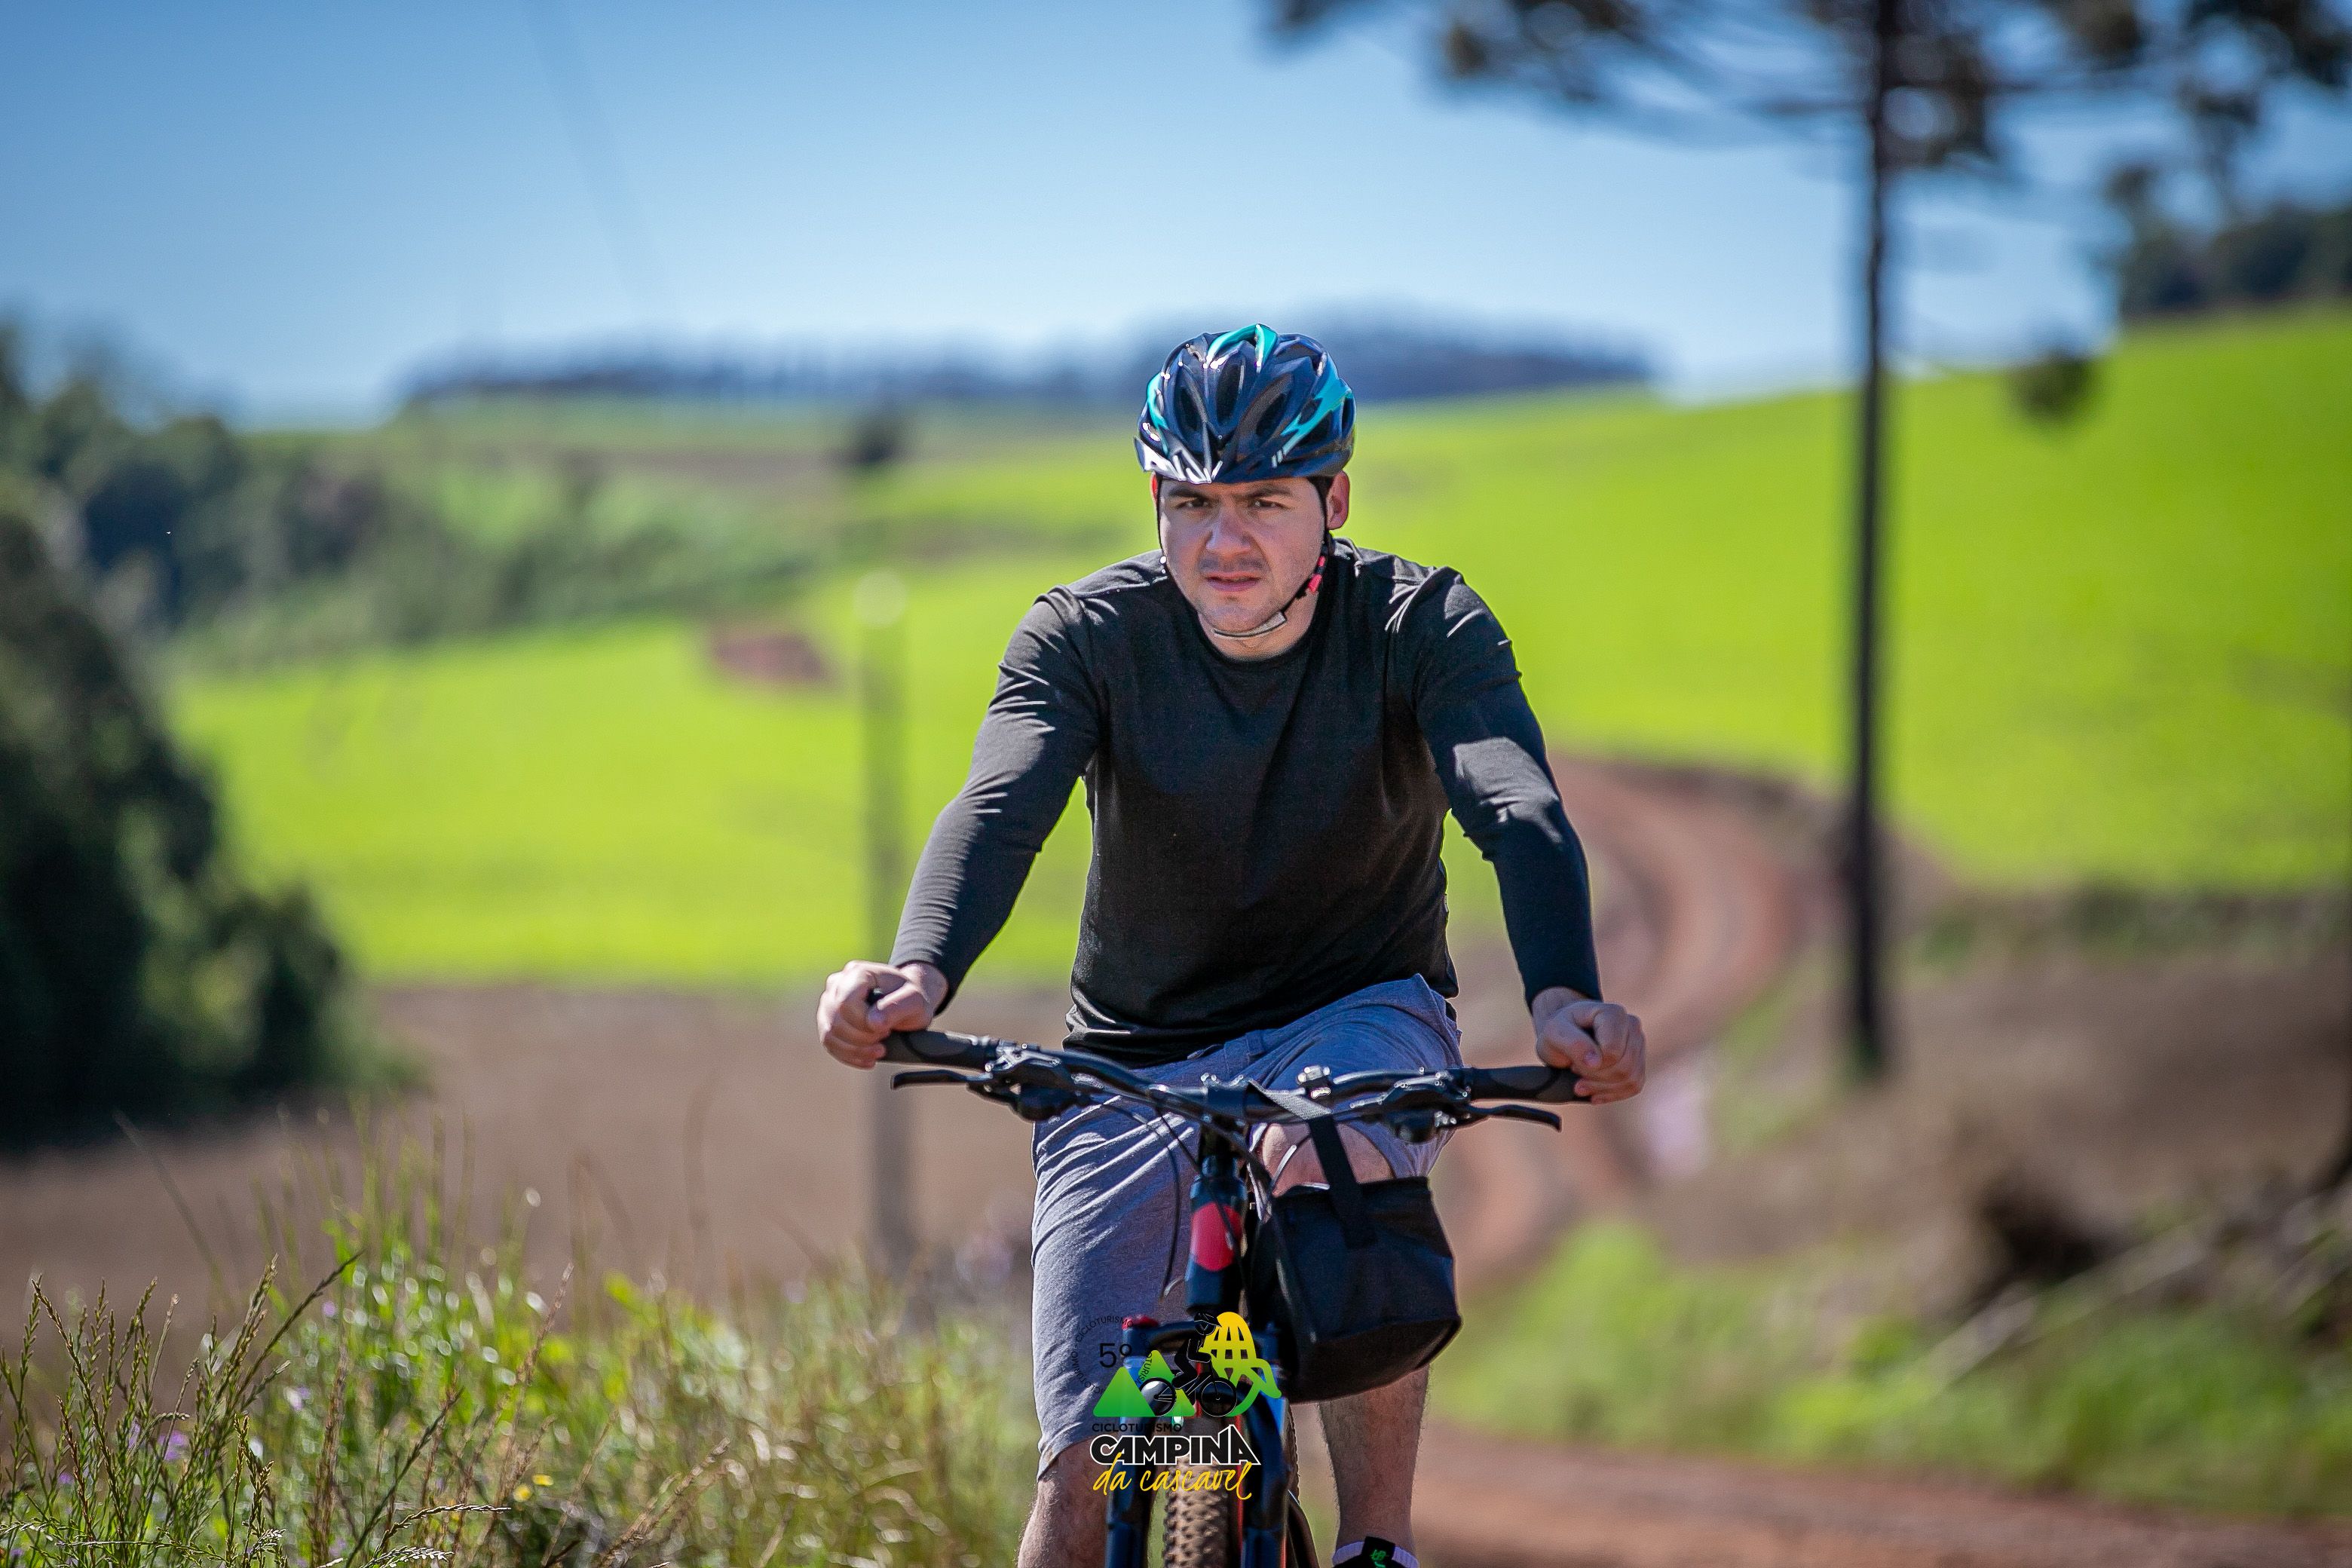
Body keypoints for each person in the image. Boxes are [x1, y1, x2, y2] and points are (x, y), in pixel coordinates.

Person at [816, 325, 1646, 1567]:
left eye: (1264, 501)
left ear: (1335, 503)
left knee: (1330, 1173)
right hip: (1133, 1051)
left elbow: (1514, 805)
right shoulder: (1084, 636)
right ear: (1157, 502)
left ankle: (1377, 1544)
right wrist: (917, 970)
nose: (1225, 540)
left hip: (1357, 1009)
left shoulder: (1421, 622)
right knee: (1087, 1458)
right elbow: (999, 808)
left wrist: (1565, 993)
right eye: (1193, 503)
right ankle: (1180, 1447)